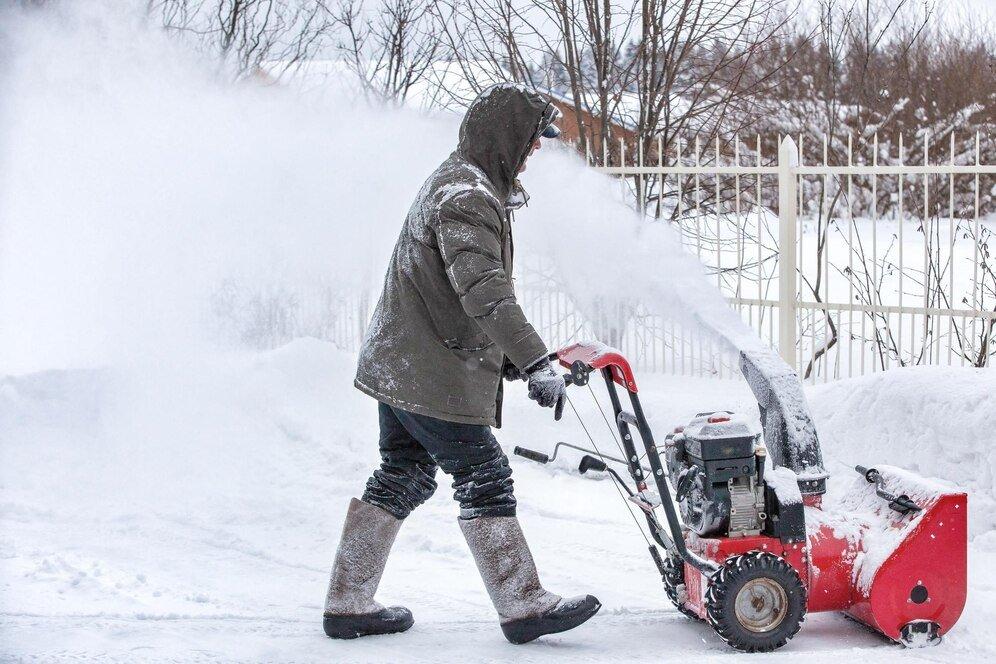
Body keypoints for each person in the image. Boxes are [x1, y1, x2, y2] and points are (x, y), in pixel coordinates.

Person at [322, 84, 600, 644]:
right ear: (505, 139)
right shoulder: (466, 196)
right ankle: (522, 604)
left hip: (402, 363)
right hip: (428, 369)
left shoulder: (461, 182)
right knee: (485, 476)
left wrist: (519, 363)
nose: (534, 154)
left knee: (404, 473)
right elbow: (484, 293)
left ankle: (348, 601)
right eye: (530, 143)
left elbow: (455, 294)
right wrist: (534, 359)